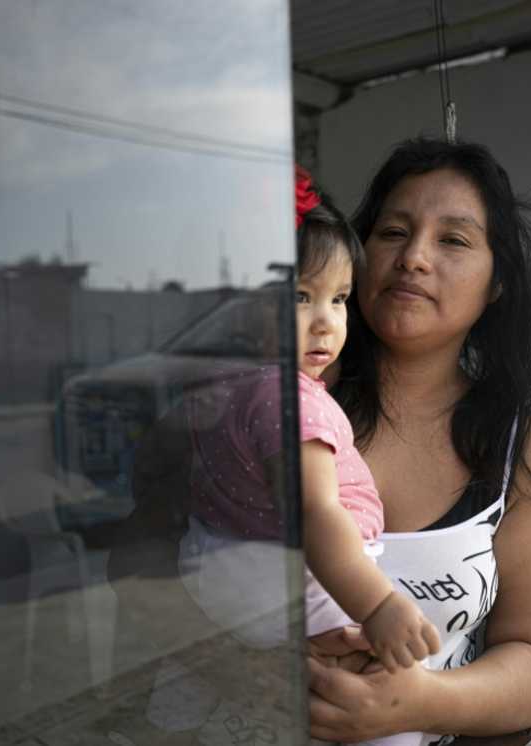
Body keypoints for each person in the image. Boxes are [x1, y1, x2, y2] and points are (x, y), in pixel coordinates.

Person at [306, 138, 531, 745]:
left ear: (496, 281)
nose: (414, 257)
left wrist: (419, 703)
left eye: (453, 239)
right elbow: (146, 565)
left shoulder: (518, 450)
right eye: (393, 232)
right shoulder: (276, 408)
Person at [177, 167, 439, 672]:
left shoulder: (220, 384)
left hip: (220, 569)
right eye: (300, 297)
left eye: (339, 299)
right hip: (305, 582)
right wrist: (379, 606)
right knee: (402, 678)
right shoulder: (296, 404)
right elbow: (317, 513)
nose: (326, 321)